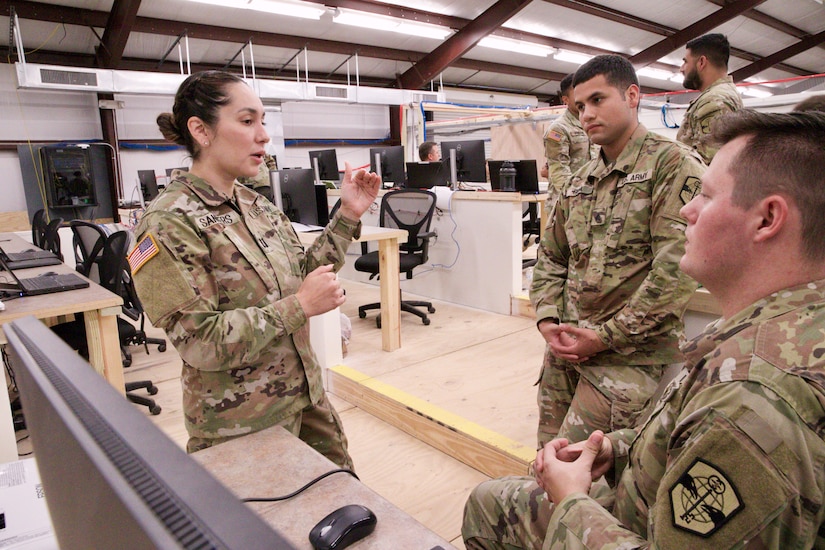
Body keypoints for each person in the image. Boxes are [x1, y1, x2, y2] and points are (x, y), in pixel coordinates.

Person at [463, 108, 825, 550]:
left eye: (707, 197)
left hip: (635, 513)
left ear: (767, 219)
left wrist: (572, 500)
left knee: (487, 506)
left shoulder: (750, 396)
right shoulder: (781, 331)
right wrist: (618, 449)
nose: (688, 210)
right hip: (637, 488)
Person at [128, 71, 381, 469]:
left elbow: (306, 276)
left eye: (263, 121)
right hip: (241, 426)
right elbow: (200, 342)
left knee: (344, 516)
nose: (263, 135)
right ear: (201, 130)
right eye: (247, 121)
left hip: (306, 399)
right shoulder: (167, 223)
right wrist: (298, 307)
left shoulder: (255, 204)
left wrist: (348, 215)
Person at [529, 54, 704, 448]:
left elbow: (675, 270)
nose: (586, 114)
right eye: (579, 106)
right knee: (546, 460)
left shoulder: (672, 165)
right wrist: (546, 317)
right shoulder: (580, 180)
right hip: (566, 348)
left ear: (632, 95)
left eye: (597, 100)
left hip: (625, 357)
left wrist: (605, 336)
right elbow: (553, 255)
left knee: (582, 468)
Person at [676, 33, 743, 164]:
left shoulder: (714, 101)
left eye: (685, 62)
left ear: (701, 62)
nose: (681, 68)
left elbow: (705, 166)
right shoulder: (723, 94)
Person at [542, 73, 596, 195]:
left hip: (592, 197)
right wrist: (578, 196)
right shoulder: (558, 129)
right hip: (569, 200)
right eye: (577, 95)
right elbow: (559, 172)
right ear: (565, 100)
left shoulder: (593, 122)